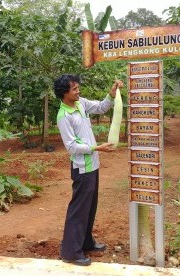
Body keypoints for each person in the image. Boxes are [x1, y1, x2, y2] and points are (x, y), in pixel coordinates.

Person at [54, 74, 123, 266]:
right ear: (64, 93)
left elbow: (101, 107)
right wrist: (96, 148)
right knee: (78, 209)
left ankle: (86, 242)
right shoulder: (64, 116)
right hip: (82, 168)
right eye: (74, 89)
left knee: (90, 207)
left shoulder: (81, 104)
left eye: (77, 87)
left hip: (93, 165)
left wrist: (111, 94)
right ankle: (70, 252)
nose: (78, 91)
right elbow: (72, 146)